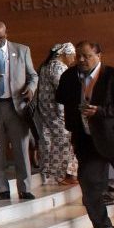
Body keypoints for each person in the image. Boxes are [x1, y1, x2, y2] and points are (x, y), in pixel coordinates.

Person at [55, 41, 114, 228]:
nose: (81, 59)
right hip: (87, 140)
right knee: (89, 185)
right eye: (78, 55)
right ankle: (104, 227)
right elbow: (62, 99)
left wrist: (101, 111)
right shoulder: (69, 76)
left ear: (99, 55)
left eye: (86, 56)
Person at [0, 21, 39, 200]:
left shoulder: (22, 50)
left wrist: (31, 89)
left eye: (1, 37)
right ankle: (1, 189)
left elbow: (33, 75)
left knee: (21, 149)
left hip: (16, 106)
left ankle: (25, 188)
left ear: (6, 34)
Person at [35, 43, 78, 186]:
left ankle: (50, 175)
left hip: (46, 112)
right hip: (58, 114)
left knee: (49, 142)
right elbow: (62, 92)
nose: (74, 59)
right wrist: (65, 114)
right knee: (64, 143)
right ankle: (62, 176)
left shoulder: (45, 66)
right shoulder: (59, 67)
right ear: (64, 54)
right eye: (72, 55)